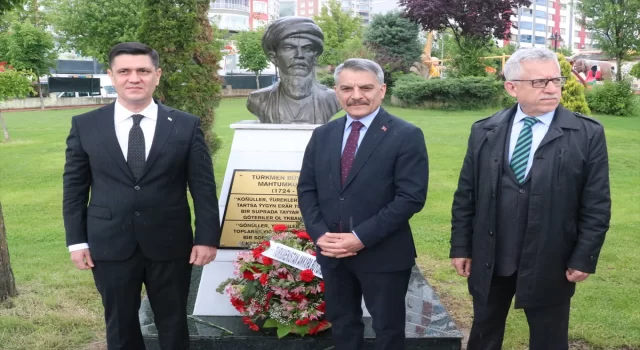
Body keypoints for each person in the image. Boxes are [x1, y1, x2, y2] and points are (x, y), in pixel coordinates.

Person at [63, 42, 221, 350]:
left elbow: (202, 186)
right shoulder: (86, 125)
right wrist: (77, 241)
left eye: (143, 71)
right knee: (120, 327)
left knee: (173, 324)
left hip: (170, 242)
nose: (134, 78)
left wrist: (206, 237)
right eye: (124, 71)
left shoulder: (186, 126)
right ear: (111, 76)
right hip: (109, 243)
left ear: (157, 75)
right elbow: (74, 187)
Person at [450, 47, 611, 350]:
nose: (551, 88)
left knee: (549, 339)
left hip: (552, 258)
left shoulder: (586, 134)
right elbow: (466, 195)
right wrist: (461, 246)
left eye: (556, 80)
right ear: (512, 87)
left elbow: (597, 203)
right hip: (492, 255)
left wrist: (584, 256)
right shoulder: (485, 130)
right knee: (484, 333)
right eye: (539, 82)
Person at [297, 58, 429, 350]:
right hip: (332, 252)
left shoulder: (406, 135)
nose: (356, 95)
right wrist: (320, 235)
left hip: (384, 254)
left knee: (387, 329)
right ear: (336, 91)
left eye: (365, 87)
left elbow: (410, 198)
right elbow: (307, 189)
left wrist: (360, 238)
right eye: (347, 88)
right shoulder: (323, 135)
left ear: (381, 90)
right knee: (342, 323)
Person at [246, 16, 341, 124]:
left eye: (307, 48)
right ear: (273, 57)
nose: (299, 55)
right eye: (289, 48)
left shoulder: (333, 99)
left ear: (315, 57)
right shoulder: (258, 99)